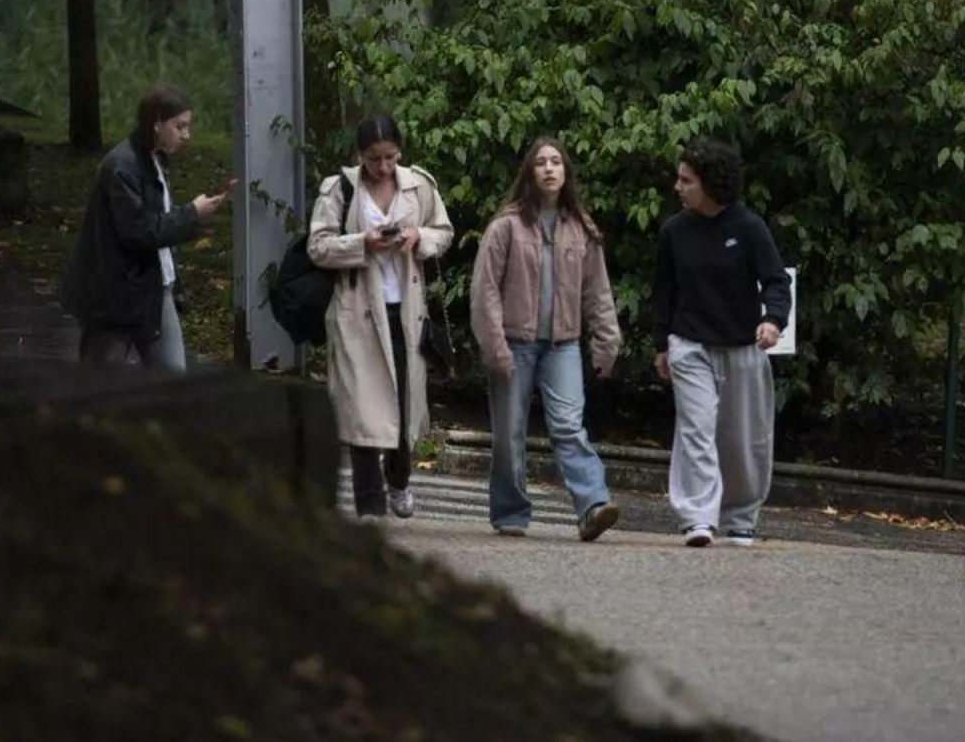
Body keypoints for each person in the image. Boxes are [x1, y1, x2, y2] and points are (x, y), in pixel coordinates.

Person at [471, 138, 624, 541]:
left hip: (564, 345)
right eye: (541, 162)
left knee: (569, 425)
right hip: (513, 342)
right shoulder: (506, 226)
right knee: (509, 433)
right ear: (529, 172)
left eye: (557, 161)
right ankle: (510, 512)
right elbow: (485, 290)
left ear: (566, 172)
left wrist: (607, 344)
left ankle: (593, 504)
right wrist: (494, 346)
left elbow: (598, 293)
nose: (549, 168)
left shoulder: (582, 230)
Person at [308, 116, 453, 524]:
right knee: (361, 412)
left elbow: (443, 232)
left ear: (400, 152)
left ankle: (400, 478)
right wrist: (362, 243)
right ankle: (369, 505)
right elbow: (317, 247)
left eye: (390, 158)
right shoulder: (340, 188)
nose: (383, 167)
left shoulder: (419, 185)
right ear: (359, 156)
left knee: (404, 405)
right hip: (357, 312)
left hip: (405, 310)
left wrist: (417, 237)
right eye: (374, 160)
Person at [652, 138, 791, 548]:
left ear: (711, 183)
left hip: (742, 347)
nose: (678, 187)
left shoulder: (749, 228)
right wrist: (662, 344)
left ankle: (741, 516)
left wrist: (772, 320)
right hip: (689, 345)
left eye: (686, 180)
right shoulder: (673, 231)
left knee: (742, 436)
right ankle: (698, 517)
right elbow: (664, 293)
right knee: (696, 429)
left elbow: (776, 281)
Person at [61, 84, 233, 371]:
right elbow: (139, 230)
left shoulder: (154, 159)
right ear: (156, 124)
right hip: (115, 296)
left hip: (153, 288)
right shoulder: (122, 166)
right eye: (180, 127)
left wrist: (195, 213)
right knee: (99, 382)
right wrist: (191, 214)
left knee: (172, 375)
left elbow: (155, 219)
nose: (186, 135)